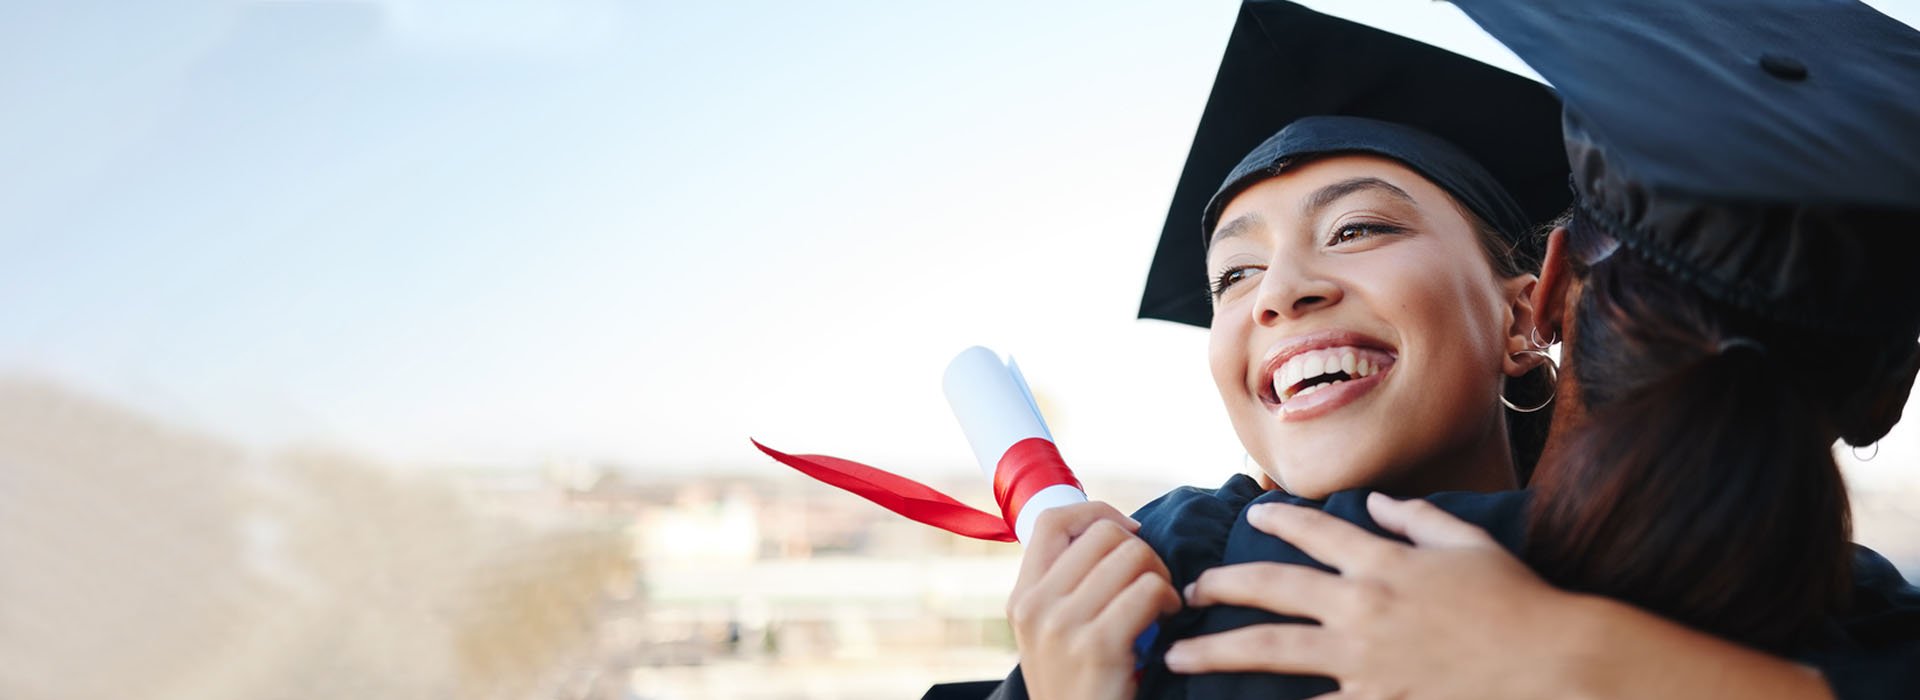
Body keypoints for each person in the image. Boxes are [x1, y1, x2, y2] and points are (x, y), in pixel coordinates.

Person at [1153, 0, 1920, 698]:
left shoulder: (1202, 569)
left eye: (1358, 228)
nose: (1280, 291)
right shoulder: (1151, 571)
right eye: (1233, 275)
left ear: (1532, 308)